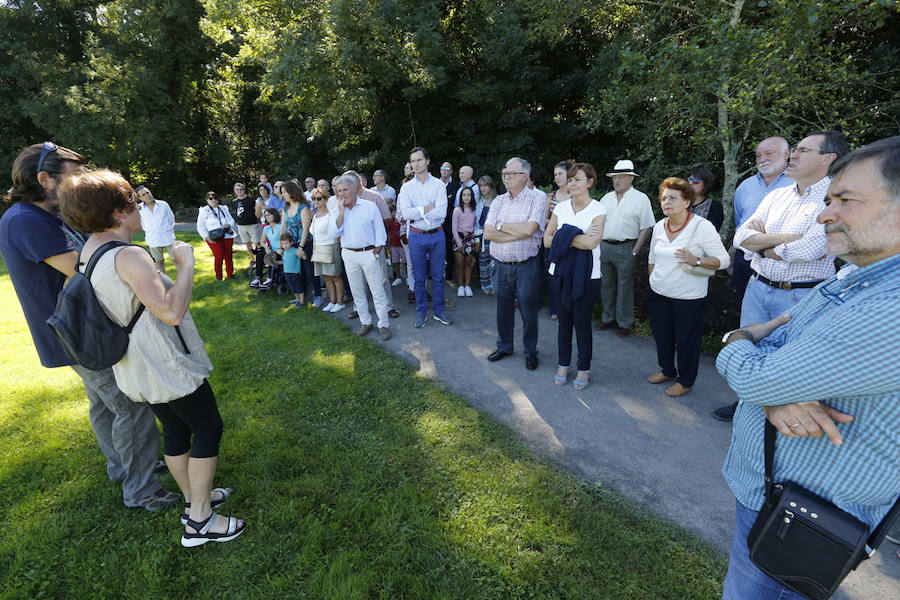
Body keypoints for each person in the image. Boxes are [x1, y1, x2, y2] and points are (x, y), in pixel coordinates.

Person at [716, 136, 900, 599]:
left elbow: (757, 371)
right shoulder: (856, 278)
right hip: (785, 502)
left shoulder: (888, 307)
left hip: (803, 517)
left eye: (845, 200)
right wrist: (775, 388)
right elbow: (784, 333)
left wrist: (742, 346)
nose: (823, 214)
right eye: (828, 198)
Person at [58, 169, 244, 547]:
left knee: (176, 430)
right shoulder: (128, 255)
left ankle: (195, 498)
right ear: (116, 214)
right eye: (132, 200)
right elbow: (171, 312)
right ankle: (201, 521)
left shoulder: (91, 250)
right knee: (208, 426)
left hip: (135, 363)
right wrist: (187, 264)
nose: (140, 205)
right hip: (161, 361)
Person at [0, 142, 178, 513]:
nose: (82, 180)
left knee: (103, 403)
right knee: (129, 405)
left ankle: (124, 467)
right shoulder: (25, 220)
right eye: (74, 175)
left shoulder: (49, 214)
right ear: (45, 179)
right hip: (78, 332)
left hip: (81, 326)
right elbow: (85, 270)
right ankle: (142, 490)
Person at [713, 136, 794, 422]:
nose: (762, 158)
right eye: (758, 153)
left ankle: (776, 403)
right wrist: (757, 244)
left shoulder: (798, 187)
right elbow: (740, 231)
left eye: (769, 152)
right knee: (748, 328)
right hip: (747, 265)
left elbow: (801, 242)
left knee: (783, 337)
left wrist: (761, 244)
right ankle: (744, 401)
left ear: (787, 154)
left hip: (788, 274)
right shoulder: (745, 187)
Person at [646, 178, 730, 397]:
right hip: (659, 293)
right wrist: (653, 279)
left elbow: (724, 260)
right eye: (664, 198)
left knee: (686, 340)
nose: (666, 202)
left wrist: (698, 261)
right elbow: (653, 256)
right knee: (662, 336)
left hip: (689, 297)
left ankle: (685, 380)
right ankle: (667, 370)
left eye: (673, 198)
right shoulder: (659, 226)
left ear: (687, 201)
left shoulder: (702, 226)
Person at [543, 162, 606, 389]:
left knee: (581, 323)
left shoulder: (598, 209)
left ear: (589, 182)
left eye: (577, 179)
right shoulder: (560, 208)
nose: (572, 183)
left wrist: (563, 236)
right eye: (570, 180)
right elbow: (547, 240)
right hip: (558, 273)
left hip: (588, 276)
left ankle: (583, 368)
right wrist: (576, 237)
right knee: (563, 323)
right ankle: (563, 364)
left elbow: (592, 242)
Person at [483, 157, 548, 370]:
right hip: (499, 265)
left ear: (524, 176)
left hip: (525, 266)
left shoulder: (537, 199)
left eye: (511, 174)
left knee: (529, 311)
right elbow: (488, 232)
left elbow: (530, 230)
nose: (506, 178)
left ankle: (530, 351)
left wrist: (501, 226)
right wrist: (515, 231)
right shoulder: (499, 201)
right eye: (504, 174)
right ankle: (504, 345)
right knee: (503, 309)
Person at [595, 159, 656, 337]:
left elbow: (647, 226)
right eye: (615, 177)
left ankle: (624, 322)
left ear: (631, 178)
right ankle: (607, 318)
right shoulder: (606, 198)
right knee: (606, 284)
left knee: (625, 286)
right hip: (605, 246)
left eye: (621, 177)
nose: (617, 180)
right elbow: (597, 222)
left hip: (626, 247)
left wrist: (635, 250)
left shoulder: (641, 199)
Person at [397, 147, 454, 327]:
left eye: (419, 160)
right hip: (416, 236)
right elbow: (406, 214)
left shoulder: (438, 185)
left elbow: (441, 213)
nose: (416, 164)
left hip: (437, 235)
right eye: (413, 161)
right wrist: (426, 208)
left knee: (438, 276)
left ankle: (439, 311)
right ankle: (421, 311)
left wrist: (418, 213)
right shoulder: (406, 188)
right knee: (419, 278)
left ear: (427, 161)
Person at [334, 174, 392, 340]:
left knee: (377, 291)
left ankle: (383, 325)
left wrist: (377, 250)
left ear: (354, 188)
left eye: (345, 189)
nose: (342, 194)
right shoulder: (338, 210)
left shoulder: (369, 206)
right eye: (339, 191)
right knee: (357, 291)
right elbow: (334, 232)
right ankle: (366, 322)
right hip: (349, 254)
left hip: (369, 253)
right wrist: (340, 213)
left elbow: (380, 231)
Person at [346, 170, 398, 319]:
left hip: (374, 245)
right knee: (358, 280)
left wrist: (372, 225)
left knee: (381, 277)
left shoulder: (374, 197)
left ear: (358, 181)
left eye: (350, 182)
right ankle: (359, 308)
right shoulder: (347, 200)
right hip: (355, 247)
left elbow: (387, 218)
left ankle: (388, 307)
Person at [280, 180, 316, 305]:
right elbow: (283, 227)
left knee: (309, 270)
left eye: (284, 192)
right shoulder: (286, 208)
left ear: (291, 192)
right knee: (297, 272)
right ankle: (302, 296)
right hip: (291, 243)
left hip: (305, 242)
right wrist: (281, 245)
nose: (283, 195)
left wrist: (301, 247)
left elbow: (306, 228)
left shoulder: (303, 207)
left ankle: (317, 295)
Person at [310, 188, 345, 312]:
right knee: (326, 277)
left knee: (335, 276)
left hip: (330, 247)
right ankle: (332, 301)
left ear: (325, 199)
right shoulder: (315, 216)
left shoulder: (331, 214)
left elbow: (334, 232)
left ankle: (340, 302)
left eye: (319, 198)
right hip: (319, 249)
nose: (316, 201)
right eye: (314, 199)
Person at [196, 191, 237, 280]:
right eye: (210, 198)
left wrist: (229, 225)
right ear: (207, 200)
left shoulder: (223, 208)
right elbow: (200, 226)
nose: (213, 200)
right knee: (219, 256)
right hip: (213, 237)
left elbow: (231, 220)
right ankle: (219, 276)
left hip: (226, 235)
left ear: (218, 199)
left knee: (228, 255)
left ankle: (230, 274)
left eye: (215, 198)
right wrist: (207, 237)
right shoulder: (204, 211)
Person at [136, 185, 175, 273]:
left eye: (147, 193)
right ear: (140, 198)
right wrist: (149, 229)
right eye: (143, 195)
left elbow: (171, 219)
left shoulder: (163, 204)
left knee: (176, 260)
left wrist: (167, 229)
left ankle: (185, 283)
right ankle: (164, 285)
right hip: (153, 239)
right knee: (159, 263)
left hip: (168, 237)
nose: (147, 195)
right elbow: (140, 223)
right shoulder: (139, 209)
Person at [452, 186, 478, 296]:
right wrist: (459, 243)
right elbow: (454, 228)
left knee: (468, 263)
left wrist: (475, 240)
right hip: (459, 238)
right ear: (461, 197)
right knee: (459, 263)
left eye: (468, 195)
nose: (466, 197)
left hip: (470, 238)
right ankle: (460, 286)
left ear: (472, 197)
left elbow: (475, 226)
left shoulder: (474, 210)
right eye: (464, 195)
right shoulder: (457, 210)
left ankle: (467, 286)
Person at [231, 182, 263, 267]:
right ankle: (252, 259)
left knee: (257, 243)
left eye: (241, 189)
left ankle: (260, 260)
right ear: (234, 191)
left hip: (252, 224)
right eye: (237, 190)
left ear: (244, 190)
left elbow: (257, 210)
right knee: (247, 243)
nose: (239, 191)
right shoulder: (234, 202)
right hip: (241, 226)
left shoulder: (251, 200)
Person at [476, 175, 497, 295]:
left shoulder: (497, 200)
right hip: (481, 235)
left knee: (494, 261)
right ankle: (485, 286)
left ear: (491, 186)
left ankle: (494, 285)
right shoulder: (478, 200)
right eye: (481, 186)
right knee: (483, 262)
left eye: (485, 185)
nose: (483, 188)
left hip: (494, 234)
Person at [686, 166, 724, 232]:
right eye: (689, 180)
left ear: (706, 184)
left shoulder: (714, 206)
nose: (690, 183)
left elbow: (711, 232)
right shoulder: (680, 203)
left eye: (696, 181)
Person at [279, 233, 305, 308]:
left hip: (295, 273)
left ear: (291, 243)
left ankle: (302, 302)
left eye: (286, 243)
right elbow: (284, 261)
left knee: (299, 288)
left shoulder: (295, 251)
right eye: (283, 244)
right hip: (287, 273)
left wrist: (304, 254)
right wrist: (276, 262)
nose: (285, 245)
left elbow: (303, 257)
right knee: (293, 288)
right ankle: (297, 299)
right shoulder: (284, 252)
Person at [387, 204, 406, 287]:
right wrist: (388, 244)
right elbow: (389, 233)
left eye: (395, 211)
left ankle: (408, 277)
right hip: (393, 244)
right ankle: (398, 277)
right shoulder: (390, 222)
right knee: (395, 261)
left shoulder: (401, 221)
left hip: (402, 244)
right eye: (391, 212)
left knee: (405, 261)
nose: (393, 213)